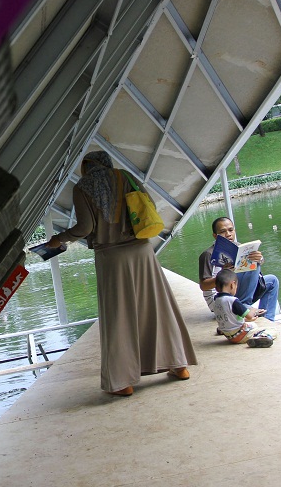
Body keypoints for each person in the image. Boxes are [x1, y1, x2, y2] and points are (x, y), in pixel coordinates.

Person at [45, 151, 197, 396]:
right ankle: (178, 366)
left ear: (86, 167)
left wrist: (59, 239)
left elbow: (85, 227)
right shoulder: (125, 176)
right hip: (141, 252)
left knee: (118, 317)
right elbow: (149, 206)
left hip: (111, 258)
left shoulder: (82, 187)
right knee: (156, 308)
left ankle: (122, 382)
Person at [198, 216, 279, 320]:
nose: (228, 234)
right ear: (215, 235)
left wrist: (260, 259)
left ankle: (267, 319)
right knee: (251, 266)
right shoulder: (208, 254)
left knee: (272, 280)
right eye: (223, 232)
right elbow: (204, 286)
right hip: (220, 300)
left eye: (231, 230)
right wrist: (225, 274)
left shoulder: (239, 247)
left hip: (237, 292)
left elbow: (253, 267)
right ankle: (245, 306)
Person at [213, 269, 276, 348]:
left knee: (252, 325)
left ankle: (222, 330)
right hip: (239, 335)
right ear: (232, 285)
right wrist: (254, 311)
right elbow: (249, 316)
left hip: (228, 335)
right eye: (236, 286)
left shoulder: (216, 300)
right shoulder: (233, 301)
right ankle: (263, 337)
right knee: (272, 330)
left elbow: (231, 316)